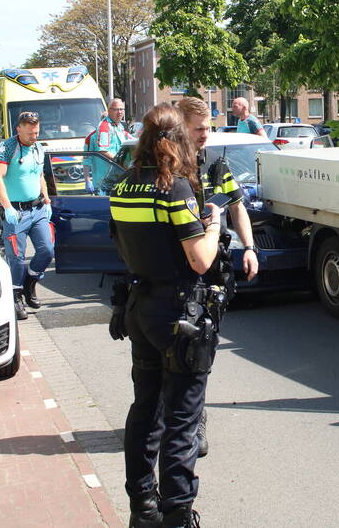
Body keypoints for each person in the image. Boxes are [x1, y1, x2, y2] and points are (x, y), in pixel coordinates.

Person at [107, 103, 225, 528]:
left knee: (145, 410)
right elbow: (199, 260)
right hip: (179, 314)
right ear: (177, 140)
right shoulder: (173, 188)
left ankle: (144, 509)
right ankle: (178, 514)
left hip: (141, 309)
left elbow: (121, 247)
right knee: (182, 417)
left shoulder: (121, 187)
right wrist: (211, 227)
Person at [177, 96, 260, 457]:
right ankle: (179, 416)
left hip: (212, 271)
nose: (205, 135)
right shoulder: (168, 168)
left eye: (209, 128)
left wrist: (250, 247)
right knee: (175, 350)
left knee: (203, 348)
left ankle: (196, 418)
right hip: (178, 271)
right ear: (179, 126)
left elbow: (237, 206)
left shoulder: (215, 165)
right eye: (199, 129)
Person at [0, 111, 54, 320]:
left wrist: (46, 199)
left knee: (46, 250)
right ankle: (16, 295)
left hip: (37, 210)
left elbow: (39, 175)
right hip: (16, 212)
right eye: (29, 133)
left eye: (36, 132)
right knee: (16, 258)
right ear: (18, 129)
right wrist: (7, 207)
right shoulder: (6, 148)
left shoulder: (38, 148)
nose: (34, 137)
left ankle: (30, 283)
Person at [86, 98, 132, 193]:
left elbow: (132, 140)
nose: (120, 112)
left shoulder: (119, 127)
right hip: (105, 182)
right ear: (109, 110)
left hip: (118, 177)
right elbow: (103, 151)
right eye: (116, 109)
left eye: (122, 109)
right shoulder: (104, 127)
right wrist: (120, 162)